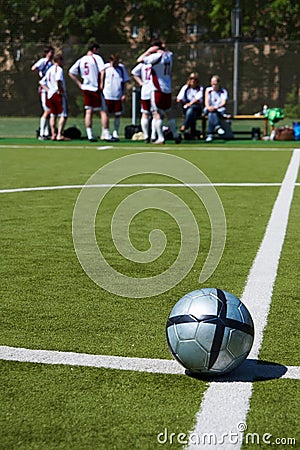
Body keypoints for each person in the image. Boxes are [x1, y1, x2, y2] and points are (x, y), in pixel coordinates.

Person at [137, 40, 181, 144]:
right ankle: (175, 135)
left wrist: (148, 51)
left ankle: (160, 138)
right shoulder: (169, 55)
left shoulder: (156, 57)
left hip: (157, 88)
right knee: (169, 113)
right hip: (167, 88)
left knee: (157, 114)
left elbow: (139, 60)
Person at [68, 42, 111, 142]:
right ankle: (107, 134)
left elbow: (71, 72)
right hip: (95, 88)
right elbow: (102, 71)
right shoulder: (96, 57)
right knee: (103, 111)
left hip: (86, 88)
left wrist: (80, 84)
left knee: (89, 111)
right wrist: (101, 83)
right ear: (95, 49)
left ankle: (90, 135)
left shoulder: (82, 59)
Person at [101, 54, 130, 141]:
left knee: (117, 115)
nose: (115, 64)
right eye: (114, 62)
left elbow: (125, 82)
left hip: (117, 95)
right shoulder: (105, 68)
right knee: (106, 113)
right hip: (107, 95)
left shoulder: (121, 68)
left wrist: (124, 94)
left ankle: (115, 132)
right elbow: (101, 78)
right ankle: (105, 132)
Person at [39, 53, 68, 141]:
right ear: (59, 60)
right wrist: (59, 90)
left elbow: (41, 82)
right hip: (57, 94)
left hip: (50, 95)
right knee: (63, 115)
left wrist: (48, 90)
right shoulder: (58, 69)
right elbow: (58, 80)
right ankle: (59, 134)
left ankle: (53, 134)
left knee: (53, 114)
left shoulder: (49, 70)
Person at [31, 45, 54, 140]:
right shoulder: (43, 61)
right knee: (47, 110)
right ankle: (41, 133)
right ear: (47, 53)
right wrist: (40, 74)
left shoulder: (52, 64)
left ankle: (46, 132)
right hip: (44, 89)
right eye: (50, 52)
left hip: (50, 88)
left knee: (50, 110)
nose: (52, 54)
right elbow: (33, 68)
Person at [131, 61, 156, 142]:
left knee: (145, 114)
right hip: (154, 90)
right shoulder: (157, 63)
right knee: (155, 114)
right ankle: (153, 136)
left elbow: (133, 72)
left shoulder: (143, 64)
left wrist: (141, 83)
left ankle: (146, 136)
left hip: (145, 91)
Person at [176, 72, 203, 139]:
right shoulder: (185, 88)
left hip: (197, 108)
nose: (193, 81)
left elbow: (198, 99)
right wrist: (184, 103)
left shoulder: (200, 88)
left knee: (192, 109)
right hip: (186, 108)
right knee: (191, 113)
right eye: (191, 79)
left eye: (195, 79)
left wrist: (190, 104)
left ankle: (184, 126)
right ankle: (192, 132)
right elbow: (179, 99)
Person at [204, 74, 228, 142]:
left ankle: (210, 135)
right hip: (209, 109)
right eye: (212, 83)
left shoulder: (223, 91)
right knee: (211, 112)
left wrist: (216, 107)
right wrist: (209, 107)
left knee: (211, 114)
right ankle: (218, 127)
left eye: (215, 83)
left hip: (219, 110)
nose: (213, 84)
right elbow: (206, 102)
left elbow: (223, 103)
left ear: (218, 83)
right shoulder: (208, 90)